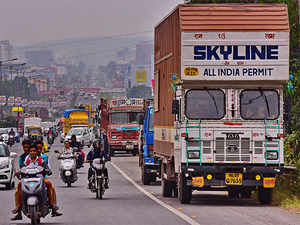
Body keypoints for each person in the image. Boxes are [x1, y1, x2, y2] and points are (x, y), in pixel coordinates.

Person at [11, 145, 62, 220]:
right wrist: (18, 172)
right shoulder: (26, 161)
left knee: (49, 184)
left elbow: (47, 169)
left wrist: (47, 170)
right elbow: (23, 169)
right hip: (28, 179)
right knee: (19, 185)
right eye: (31, 151)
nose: (32, 152)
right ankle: (18, 209)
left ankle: (53, 206)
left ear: (37, 152)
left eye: (34, 151)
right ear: (29, 152)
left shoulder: (41, 160)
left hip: (40, 179)